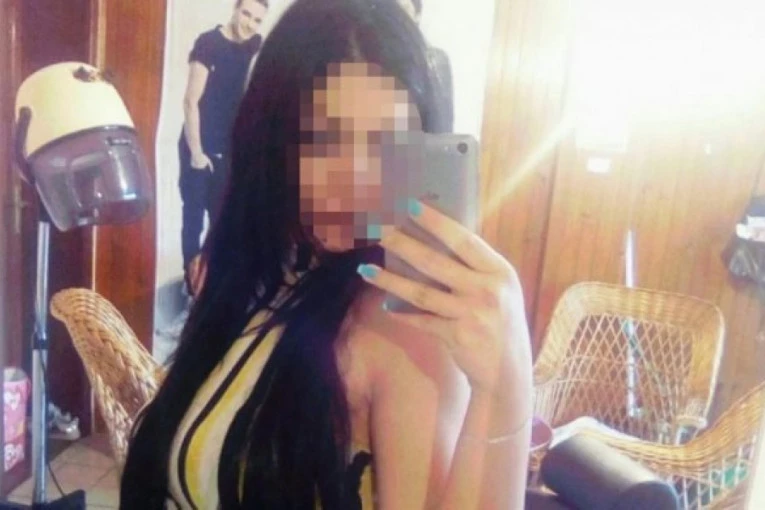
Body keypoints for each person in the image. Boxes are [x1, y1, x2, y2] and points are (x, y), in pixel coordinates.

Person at [121, 0, 533, 508]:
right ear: (272, 137)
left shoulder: (405, 326)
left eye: (386, 143)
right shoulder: (251, 275)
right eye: (324, 137)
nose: (355, 180)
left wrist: (507, 383)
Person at [179, 0, 268, 294]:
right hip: (198, 145)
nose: (249, 24)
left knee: (221, 218)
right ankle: (191, 286)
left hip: (228, 148)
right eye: (246, 14)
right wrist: (196, 153)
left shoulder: (254, 45)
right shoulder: (209, 43)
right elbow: (190, 102)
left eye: (257, 20)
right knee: (193, 217)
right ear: (235, 9)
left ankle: (209, 282)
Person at [398, 0, 454, 133]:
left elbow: (442, 128)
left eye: (404, 9)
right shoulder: (369, 53)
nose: (398, 16)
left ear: (417, 16)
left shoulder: (433, 60)